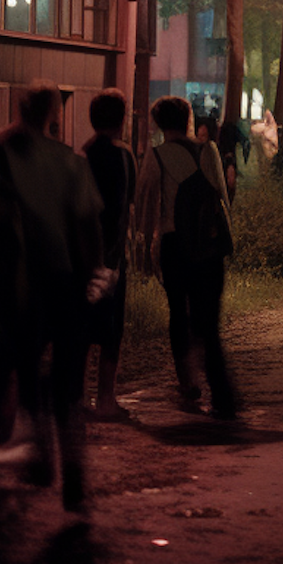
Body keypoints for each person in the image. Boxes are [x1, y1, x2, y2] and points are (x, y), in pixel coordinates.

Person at [0, 82, 103, 512]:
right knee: (68, 378)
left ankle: (43, 456)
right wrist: (94, 279)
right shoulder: (71, 162)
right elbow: (88, 228)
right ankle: (72, 471)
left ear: (18, 108)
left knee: (27, 368)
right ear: (53, 111)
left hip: (16, 283)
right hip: (64, 279)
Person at [135, 95, 236, 419]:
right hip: (208, 245)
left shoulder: (156, 156)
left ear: (158, 124)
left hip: (174, 245)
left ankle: (188, 382)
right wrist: (225, 239)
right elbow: (221, 196)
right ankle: (222, 393)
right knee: (209, 322)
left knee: (178, 312)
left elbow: (147, 203)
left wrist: (143, 248)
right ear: (188, 118)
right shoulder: (209, 150)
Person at [81, 88, 136, 420]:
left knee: (83, 328)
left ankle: (77, 397)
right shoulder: (124, 155)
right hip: (112, 255)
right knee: (112, 330)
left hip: (82, 256)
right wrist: (114, 258)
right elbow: (122, 208)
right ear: (121, 120)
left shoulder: (82, 153)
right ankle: (105, 398)